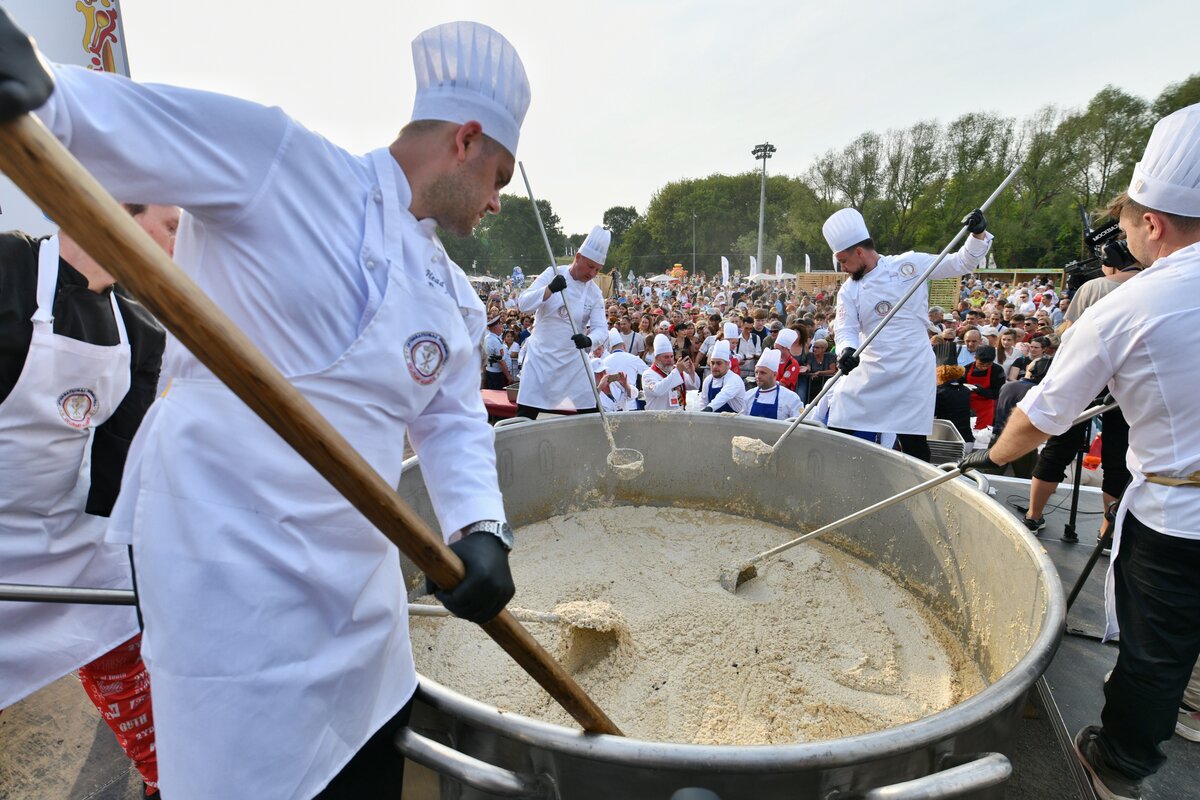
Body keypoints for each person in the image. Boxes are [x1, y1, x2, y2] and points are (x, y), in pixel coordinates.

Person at [0, 15, 527, 798]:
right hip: (232, 592)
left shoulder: (453, 297)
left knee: (370, 773)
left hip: (362, 615)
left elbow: (450, 421)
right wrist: (35, 86)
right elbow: (97, 122)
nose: (495, 202)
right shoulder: (282, 163)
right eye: (500, 178)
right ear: (467, 139)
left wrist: (480, 527)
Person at [959, 103, 1200, 800]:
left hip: (1181, 515)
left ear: (1151, 224)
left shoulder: (1129, 307)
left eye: (1126, 228)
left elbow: (1040, 418)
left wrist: (992, 457)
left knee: (1155, 654)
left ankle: (1117, 767)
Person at [0, 204, 178, 798]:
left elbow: (117, 478)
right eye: (173, 227)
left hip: (61, 532)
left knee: (122, 633)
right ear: (114, 214)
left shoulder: (141, 332)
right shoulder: (8, 267)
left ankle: (171, 780)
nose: (180, 245)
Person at [823, 205, 993, 462]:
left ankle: (917, 494)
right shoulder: (849, 290)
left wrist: (977, 235)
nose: (843, 268)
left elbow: (962, 262)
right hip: (871, 368)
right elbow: (845, 327)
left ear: (859, 252)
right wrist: (846, 349)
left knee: (913, 441)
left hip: (912, 368)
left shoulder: (909, 264)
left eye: (844, 261)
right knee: (840, 423)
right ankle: (831, 475)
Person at [516, 225, 608, 418]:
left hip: (573, 365)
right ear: (578, 256)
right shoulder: (553, 273)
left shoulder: (594, 293)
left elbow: (601, 330)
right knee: (525, 417)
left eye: (597, 270)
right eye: (590, 266)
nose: (592, 274)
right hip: (540, 361)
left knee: (590, 417)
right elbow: (523, 304)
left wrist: (589, 340)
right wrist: (548, 290)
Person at [740, 348, 803, 420]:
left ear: (775, 374)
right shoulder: (748, 395)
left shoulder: (791, 398)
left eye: (763, 373)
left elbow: (799, 424)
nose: (758, 376)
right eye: (756, 372)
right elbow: (742, 422)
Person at [642, 333, 697, 411]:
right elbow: (657, 390)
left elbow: (693, 387)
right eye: (666, 357)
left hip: (679, 416)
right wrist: (677, 371)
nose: (670, 360)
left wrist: (691, 373)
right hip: (658, 417)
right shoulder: (648, 374)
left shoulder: (676, 371)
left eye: (671, 356)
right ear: (657, 358)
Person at [698, 340, 747, 413]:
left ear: (727, 364)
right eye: (712, 363)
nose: (714, 367)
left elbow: (724, 396)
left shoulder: (734, 379)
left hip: (735, 421)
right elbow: (703, 402)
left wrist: (709, 408)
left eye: (719, 363)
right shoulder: (708, 380)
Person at [964, 344, 1004, 429]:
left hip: (985, 407)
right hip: (968, 405)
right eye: (981, 364)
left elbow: (997, 393)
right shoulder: (966, 369)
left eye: (988, 364)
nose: (984, 367)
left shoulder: (997, 371)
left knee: (983, 433)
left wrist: (981, 391)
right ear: (975, 358)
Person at [934, 365, 973, 444]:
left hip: (945, 440)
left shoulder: (939, 392)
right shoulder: (966, 390)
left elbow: (934, 418)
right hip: (966, 439)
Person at [482, 314, 510, 390]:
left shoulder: (489, 338)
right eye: (500, 326)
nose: (502, 328)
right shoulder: (495, 341)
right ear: (495, 328)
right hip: (497, 373)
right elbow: (501, 361)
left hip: (490, 370)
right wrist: (508, 376)